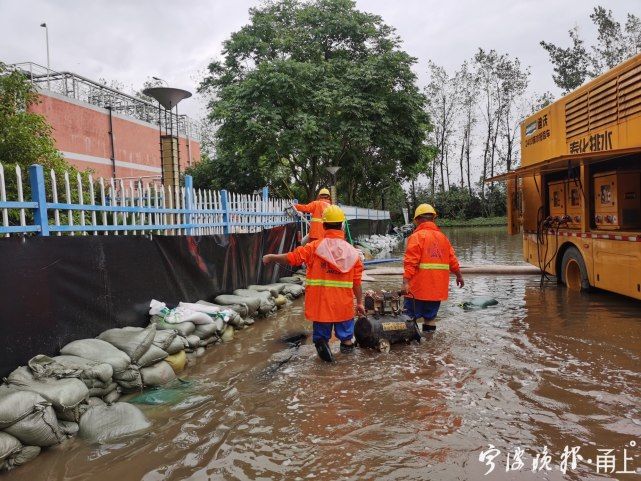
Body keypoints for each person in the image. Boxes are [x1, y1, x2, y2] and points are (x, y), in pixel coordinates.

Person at [263, 205, 365, 362]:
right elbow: (357, 283)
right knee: (346, 339)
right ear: (342, 225)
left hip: (321, 306)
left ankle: (326, 372)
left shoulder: (314, 248)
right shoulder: (353, 253)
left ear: (323, 225)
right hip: (343, 307)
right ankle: (347, 371)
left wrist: (271, 257)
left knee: (320, 340)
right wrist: (360, 303)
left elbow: (292, 257)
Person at [402, 204, 464, 333]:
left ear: (417, 220)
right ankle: (431, 346)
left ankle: (413, 349)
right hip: (436, 290)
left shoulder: (416, 237)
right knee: (430, 318)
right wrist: (459, 275)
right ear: (433, 219)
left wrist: (405, 282)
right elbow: (452, 260)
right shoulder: (443, 238)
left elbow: (410, 262)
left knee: (409, 318)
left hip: (417, 289)